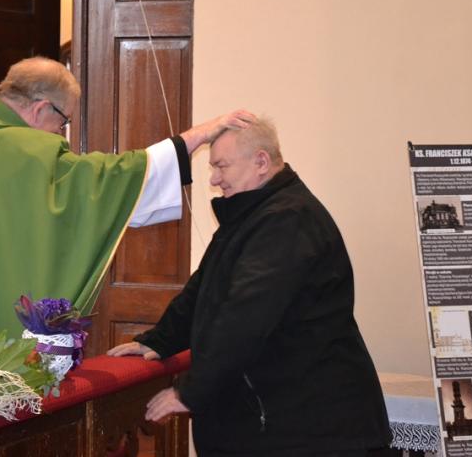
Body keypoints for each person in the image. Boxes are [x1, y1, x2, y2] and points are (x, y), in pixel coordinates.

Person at [0, 56, 253, 346]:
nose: (61, 135)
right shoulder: (25, 151)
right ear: (41, 108)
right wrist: (195, 137)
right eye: (63, 123)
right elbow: (105, 183)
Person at [108, 118, 392, 456]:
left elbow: (244, 316)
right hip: (284, 424)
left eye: (221, 166)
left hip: (309, 430)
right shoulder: (254, 214)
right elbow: (204, 288)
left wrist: (191, 391)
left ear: (261, 162)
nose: (214, 179)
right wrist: (160, 340)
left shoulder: (287, 218)